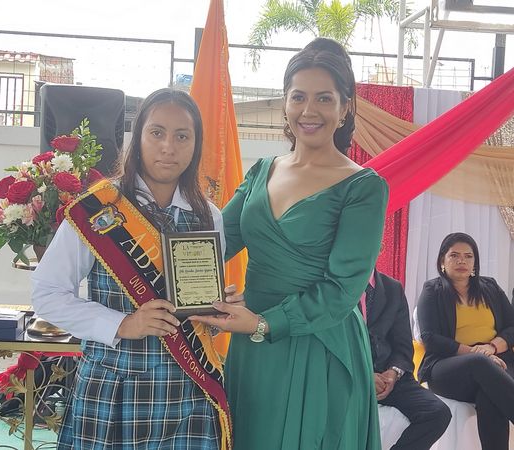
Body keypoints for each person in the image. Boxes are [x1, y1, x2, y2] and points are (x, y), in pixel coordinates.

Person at [191, 37, 388, 449]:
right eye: (298, 97)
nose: (308, 110)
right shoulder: (261, 171)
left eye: (324, 98)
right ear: (284, 102)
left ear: (345, 107)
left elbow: (342, 290)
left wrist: (263, 323)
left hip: (319, 343)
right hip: (253, 346)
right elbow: (213, 244)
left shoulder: (364, 187)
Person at [32, 88, 241, 450]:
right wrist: (123, 324)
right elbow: (46, 294)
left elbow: (197, 308)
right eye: (157, 133)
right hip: (114, 389)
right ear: (138, 137)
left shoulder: (209, 217)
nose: (168, 147)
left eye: (182, 136)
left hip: (187, 391)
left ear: (196, 145)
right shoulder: (99, 208)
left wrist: (216, 308)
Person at [417, 232, 514, 450]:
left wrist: (491, 348)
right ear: (442, 261)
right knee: (480, 364)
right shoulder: (432, 290)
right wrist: (477, 353)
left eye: (468, 256)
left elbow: (512, 326)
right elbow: (430, 338)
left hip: (498, 360)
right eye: (454, 255)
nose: (462, 261)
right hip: (448, 366)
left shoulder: (490, 286)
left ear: (475, 262)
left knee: (490, 394)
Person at [361, 270, 450, 449]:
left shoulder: (393, 288)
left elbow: (403, 345)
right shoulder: (335, 285)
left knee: (438, 413)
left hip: (389, 377)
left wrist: (393, 373)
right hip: (350, 375)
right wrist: (365, 376)